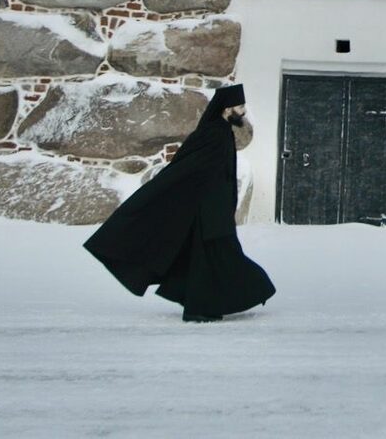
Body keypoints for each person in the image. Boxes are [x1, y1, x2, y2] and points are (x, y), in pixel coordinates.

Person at [83, 83, 275, 322]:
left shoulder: (220, 131)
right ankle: (216, 302)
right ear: (227, 109)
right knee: (218, 257)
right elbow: (191, 169)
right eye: (239, 106)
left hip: (212, 209)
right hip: (207, 210)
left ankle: (203, 306)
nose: (243, 111)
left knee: (207, 259)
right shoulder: (213, 133)